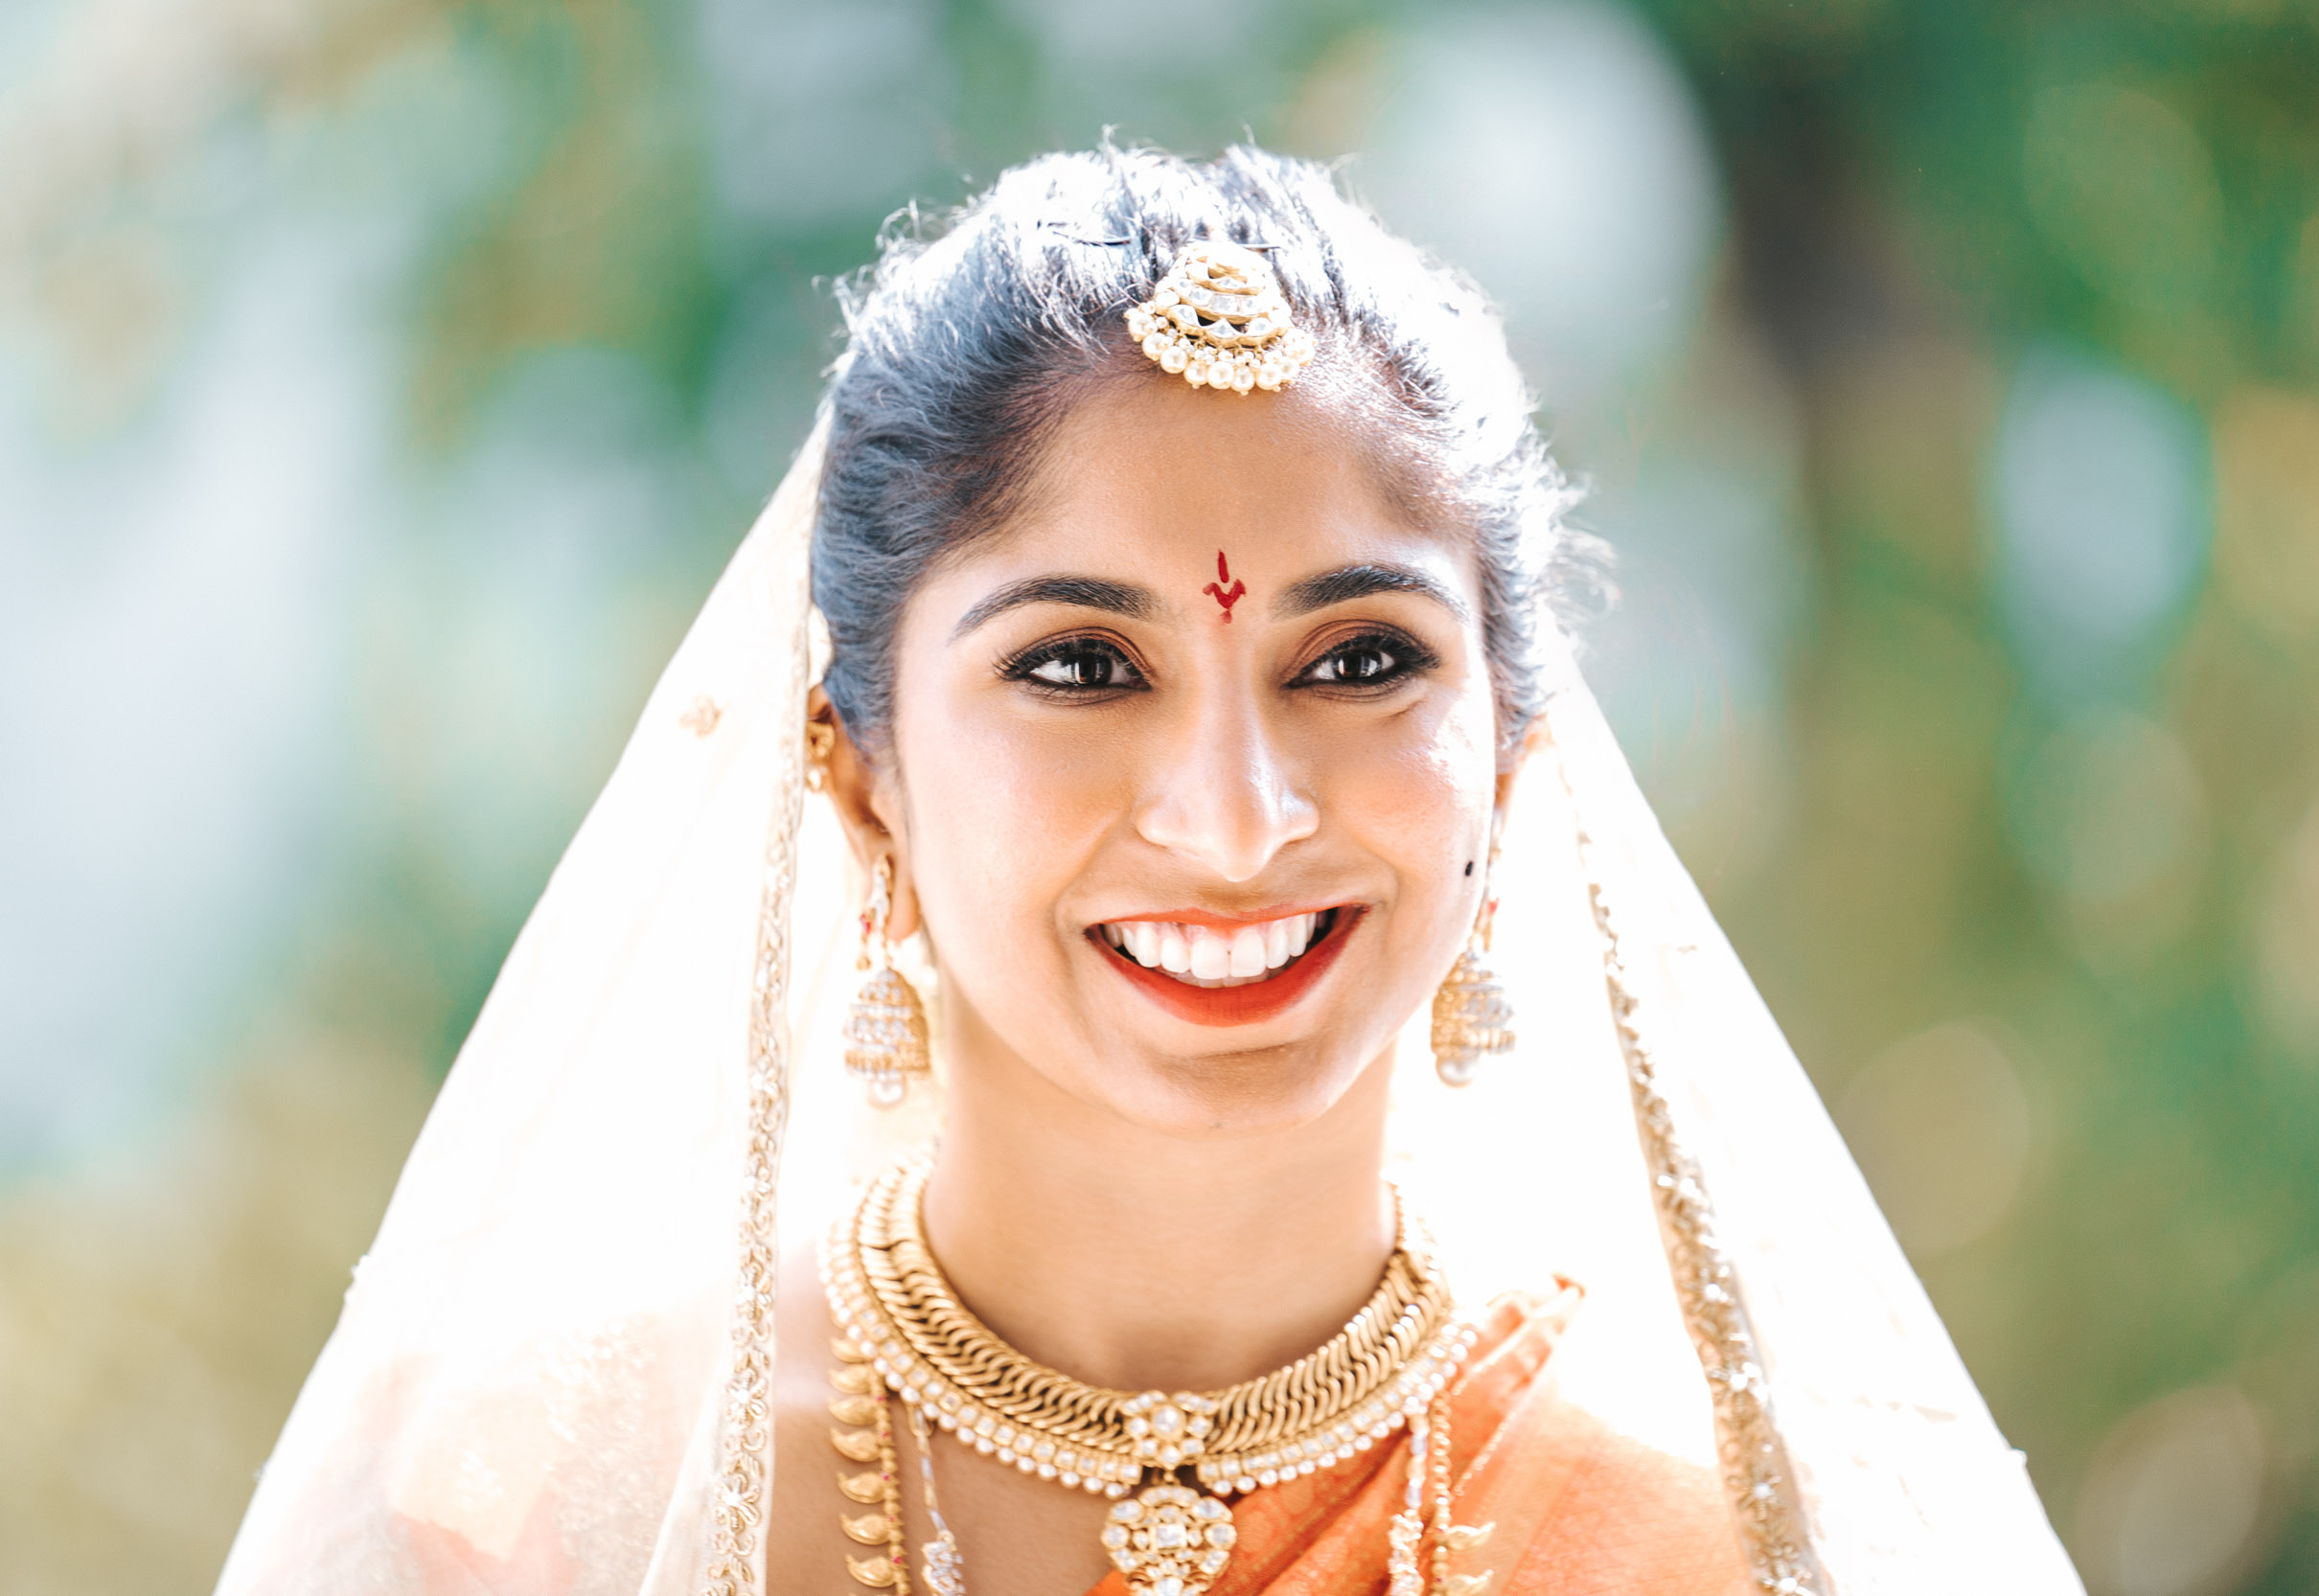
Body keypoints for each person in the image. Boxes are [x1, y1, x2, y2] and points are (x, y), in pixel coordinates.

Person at [215, 148, 2082, 1596]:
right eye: (1080, 666)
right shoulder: (537, 1495)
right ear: (851, 768)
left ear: (1509, 751)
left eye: (1356, 660)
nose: (1234, 814)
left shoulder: (1708, 1533)